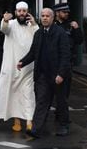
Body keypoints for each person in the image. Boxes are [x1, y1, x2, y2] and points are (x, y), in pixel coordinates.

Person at [17, 8, 71, 138]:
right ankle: (36, 129)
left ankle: (63, 126)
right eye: (43, 16)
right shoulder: (38, 33)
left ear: (52, 18)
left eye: (47, 16)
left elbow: (65, 56)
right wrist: (22, 62)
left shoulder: (60, 33)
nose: (45, 18)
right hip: (42, 75)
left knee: (61, 102)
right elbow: (33, 53)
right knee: (41, 101)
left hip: (57, 75)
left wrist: (61, 74)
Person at [0, 1, 39, 132]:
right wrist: (5, 20)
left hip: (28, 68)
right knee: (13, 95)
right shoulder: (11, 24)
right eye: (19, 11)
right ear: (15, 12)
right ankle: (17, 121)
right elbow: (4, 29)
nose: (22, 14)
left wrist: (35, 24)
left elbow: (38, 37)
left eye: (24, 11)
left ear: (28, 12)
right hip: (12, 68)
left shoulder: (32, 25)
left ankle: (29, 121)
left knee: (28, 94)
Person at [53, 2, 83, 99]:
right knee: (52, 90)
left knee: (65, 91)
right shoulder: (52, 26)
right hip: (53, 62)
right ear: (57, 13)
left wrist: (77, 29)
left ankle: (62, 111)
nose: (66, 14)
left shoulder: (71, 25)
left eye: (67, 12)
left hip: (67, 62)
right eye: (64, 12)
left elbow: (79, 41)